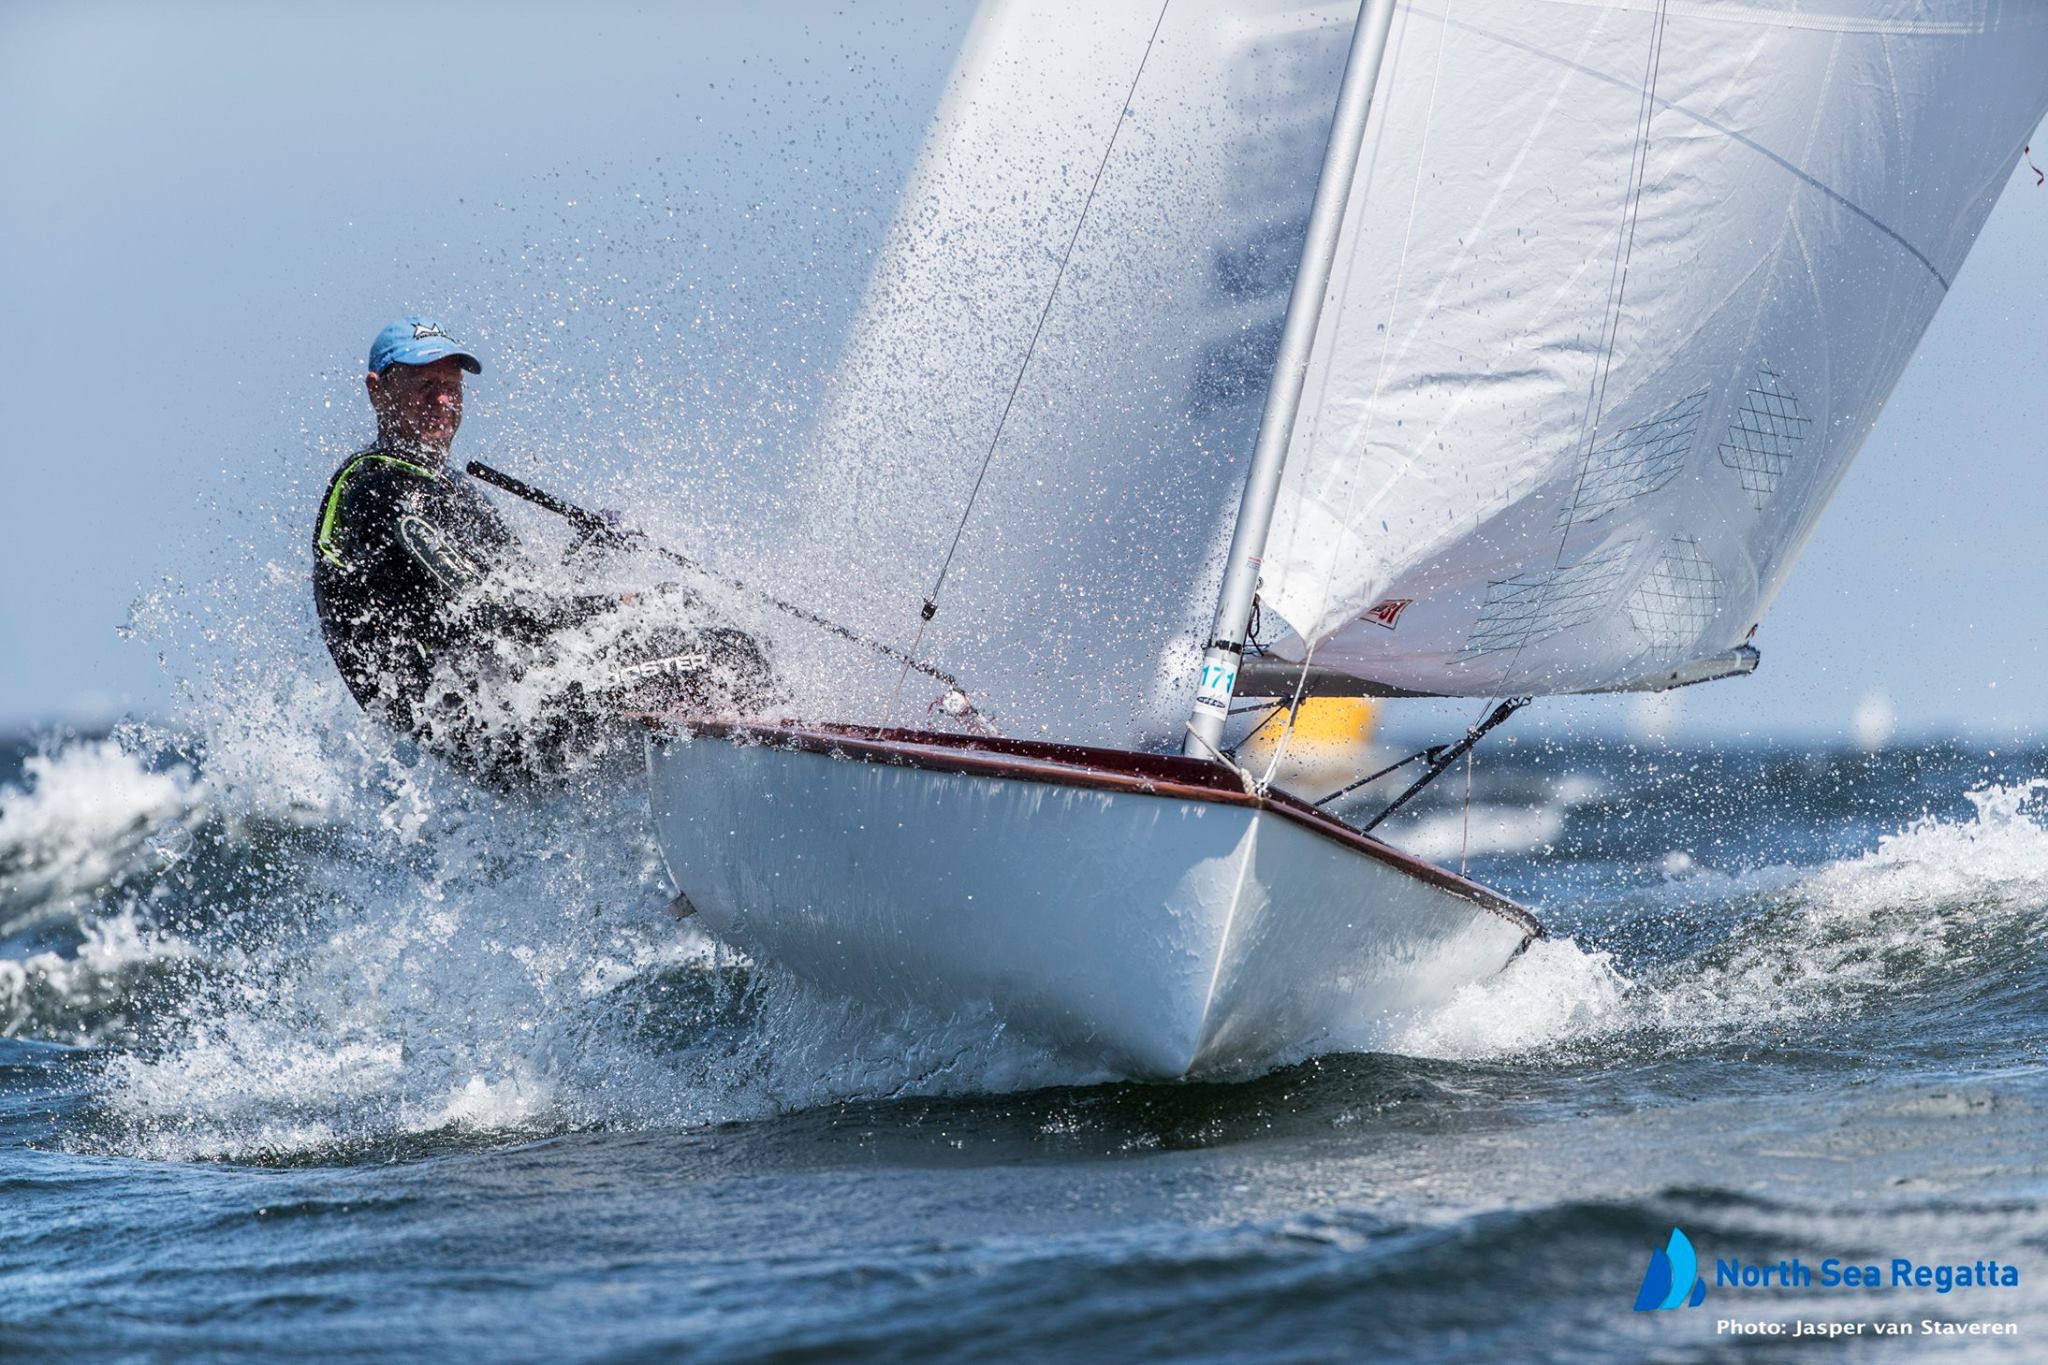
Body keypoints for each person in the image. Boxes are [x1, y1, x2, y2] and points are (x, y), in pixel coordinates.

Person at [312, 316, 778, 786]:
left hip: (514, 701)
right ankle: (769, 790)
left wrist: (586, 554)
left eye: (451, 387)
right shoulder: (380, 487)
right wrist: (623, 604)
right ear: (377, 391)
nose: (443, 401)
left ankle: (706, 783)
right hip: (493, 728)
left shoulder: (447, 488)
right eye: (425, 386)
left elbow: (524, 594)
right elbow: (488, 610)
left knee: (692, 617)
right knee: (729, 655)